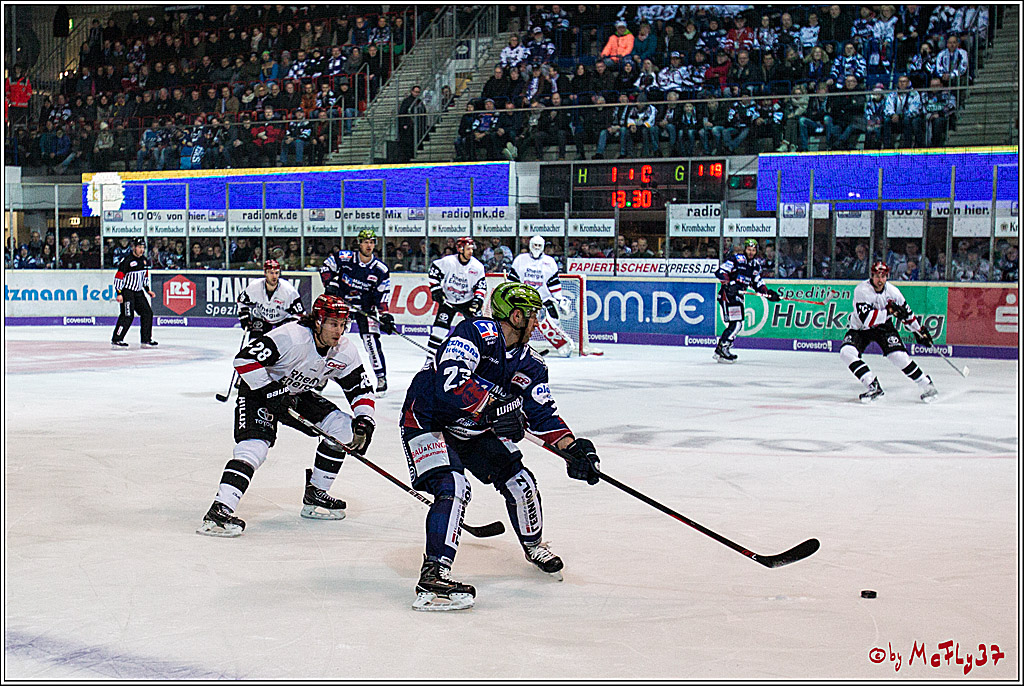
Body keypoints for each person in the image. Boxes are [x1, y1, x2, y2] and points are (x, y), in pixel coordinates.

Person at [399, 282, 602, 611]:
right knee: (453, 486)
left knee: (521, 482)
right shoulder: (474, 333)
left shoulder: (532, 364)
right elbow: (451, 384)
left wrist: (572, 448)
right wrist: (496, 407)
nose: (536, 322)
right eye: (533, 315)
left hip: (474, 429)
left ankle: (534, 546)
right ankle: (434, 574)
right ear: (517, 316)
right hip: (428, 421)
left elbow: (542, 413)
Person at [197, 295, 377, 536]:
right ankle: (219, 511)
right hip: (258, 392)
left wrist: (365, 419)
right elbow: (244, 360)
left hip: (294, 394)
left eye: (343, 324)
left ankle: (315, 494)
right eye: (333, 324)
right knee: (254, 448)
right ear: (318, 321)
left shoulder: (344, 351)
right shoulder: (291, 337)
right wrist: (270, 390)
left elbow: (360, 389)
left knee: (343, 428)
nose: (339, 331)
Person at [839, 261, 938, 403]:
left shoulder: (893, 292)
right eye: (877, 276)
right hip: (860, 328)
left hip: (883, 328)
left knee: (898, 356)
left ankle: (926, 384)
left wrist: (919, 331)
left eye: (883, 276)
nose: (880, 280)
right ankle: (872, 385)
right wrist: (889, 312)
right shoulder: (862, 290)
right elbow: (867, 320)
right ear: (871, 276)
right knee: (846, 352)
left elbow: (907, 314)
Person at [319, 229, 394, 395]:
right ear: (359, 243)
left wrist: (385, 315)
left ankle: (381, 377)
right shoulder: (344, 257)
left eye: (372, 242)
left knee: (371, 341)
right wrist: (330, 284)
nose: (369, 245)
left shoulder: (380, 269)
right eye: (365, 242)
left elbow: (383, 294)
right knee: (331, 338)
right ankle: (321, 377)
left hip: (364, 308)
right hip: (341, 305)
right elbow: (326, 267)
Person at [713, 238, 780, 363]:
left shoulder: (755, 265)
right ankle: (723, 348)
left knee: (736, 324)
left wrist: (768, 293)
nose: (751, 252)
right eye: (749, 249)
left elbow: (757, 283)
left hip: (738, 297)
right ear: (745, 249)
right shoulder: (737, 259)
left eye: (753, 250)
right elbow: (720, 272)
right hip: (728, 295)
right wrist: (730, 284)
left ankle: (721, 348)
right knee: (736, 323)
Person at [508, 235, 575, 357]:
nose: (537, 248)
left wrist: (559, 298)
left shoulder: (550, 262)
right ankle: (519, 346)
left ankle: (562, 344)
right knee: (522, 324)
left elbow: (553, 282)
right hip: (525, 299)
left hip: (544, 299)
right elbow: (512, 280)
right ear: (530, 245)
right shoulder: (520, 260)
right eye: (535, 245)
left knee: (554, 320)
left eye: (539, 245)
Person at [425, 237, 487, 357]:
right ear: (460, 249)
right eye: (468, 249)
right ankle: (430, 359)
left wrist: (477, 300)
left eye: (472, 249)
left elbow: (481, 285)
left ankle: (484, 357)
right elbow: (433, 271)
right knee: (439, 330)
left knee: (479, 331)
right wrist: (436, 289)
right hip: (448, 301)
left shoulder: (477, 266)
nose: (471, 252)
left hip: (468, 302)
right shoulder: (448, 262)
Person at [236, 259, 305, 336]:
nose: (274, 276)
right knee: (255, 342)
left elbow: (300, 314)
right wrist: (244, 317)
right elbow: (241, 301)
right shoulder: (255, 287)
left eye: (276, 273)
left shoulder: (288, 291)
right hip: (261, 317)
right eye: (271, 273)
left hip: (283, 319)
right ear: (265, 273)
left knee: (283, 342)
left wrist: (293, 325)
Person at [111, 238, 157, 349]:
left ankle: (146, 339)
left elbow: (145, 276)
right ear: (134, 248)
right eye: (139, 247)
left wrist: (148, 290)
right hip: (128, 292)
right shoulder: (127, 261)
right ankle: (117, 339)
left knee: (147, 313)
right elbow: (118, 277)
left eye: (143, 247)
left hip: (138, 292)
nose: (142, 250)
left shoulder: (144, 260)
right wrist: (119, 293)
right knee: (127, 316)